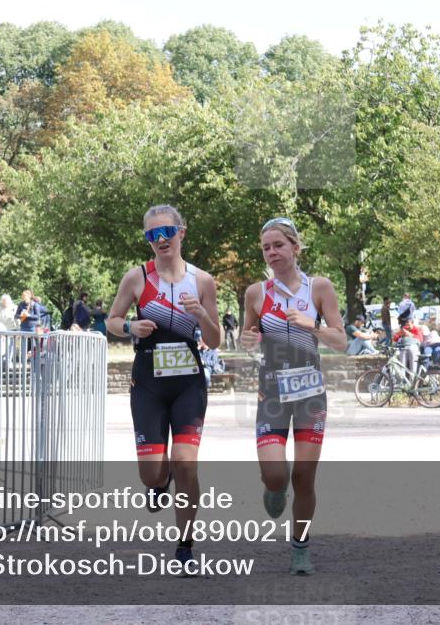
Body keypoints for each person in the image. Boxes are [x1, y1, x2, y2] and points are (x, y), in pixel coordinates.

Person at [106, 204, 221, 573]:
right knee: (151, 474)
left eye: (166, 232)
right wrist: (130, 328)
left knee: (187, 463)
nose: (160, 240)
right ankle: (160, 480)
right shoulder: (136, 278)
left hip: (188, 383)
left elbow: (215, 340)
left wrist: (201, 315)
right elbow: (112, 320)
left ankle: (185, 546)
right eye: (152, 235)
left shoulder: (202, 281)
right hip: (149, 385)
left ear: (181, 232)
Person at [240, 216, 346, 576]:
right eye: (266, 247)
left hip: (309, 393)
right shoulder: (256, 293)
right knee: (275, 475)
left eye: (278, 245)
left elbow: (341, 341)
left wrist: (310, 325)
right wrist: (248, 339)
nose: (271, 252)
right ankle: (273, 490)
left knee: (303, 476)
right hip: (271, 390)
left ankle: (300, 547)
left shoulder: (319, 287)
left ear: (295, 247)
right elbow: (247, 336)